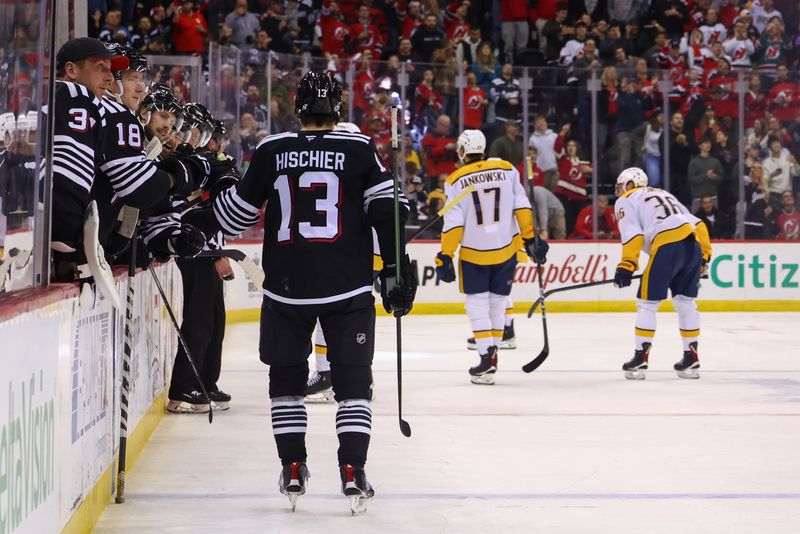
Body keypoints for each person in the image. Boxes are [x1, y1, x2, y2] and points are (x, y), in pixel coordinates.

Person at [208, 71, 417, 513]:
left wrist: (216, 186)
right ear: (338, 109)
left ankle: (293, 466)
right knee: (353, 384)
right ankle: (352, 471)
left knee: (285, 382)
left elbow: (234, 217)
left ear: (297, 109)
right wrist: (397, 270)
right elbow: (388, 211)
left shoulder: (271, 149)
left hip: (287, 288)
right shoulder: (359, 148)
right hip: (348, 286)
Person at [435, 129, 548, 385]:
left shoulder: (454, 180)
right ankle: (492, 354)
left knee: (477, 304)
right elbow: (522, 206)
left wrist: (445, 254)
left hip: (475, 253)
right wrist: (531, 239)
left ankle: (487, 356)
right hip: (506, 249)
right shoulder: (508, 170)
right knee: (498, 302)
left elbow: (453, 224)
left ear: (463, 152)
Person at [612, 167, 712, 380]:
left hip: (667, 245)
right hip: (692, 245)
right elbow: (699, 224)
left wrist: (627, 265)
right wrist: (704, 256)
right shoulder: (665, 194)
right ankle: (691, 358)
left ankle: (640, 359)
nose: (620, 191)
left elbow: (633, 234)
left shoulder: (626, 199)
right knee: (686, 303)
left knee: (647, 303)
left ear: (630, 185)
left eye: (622, 186)